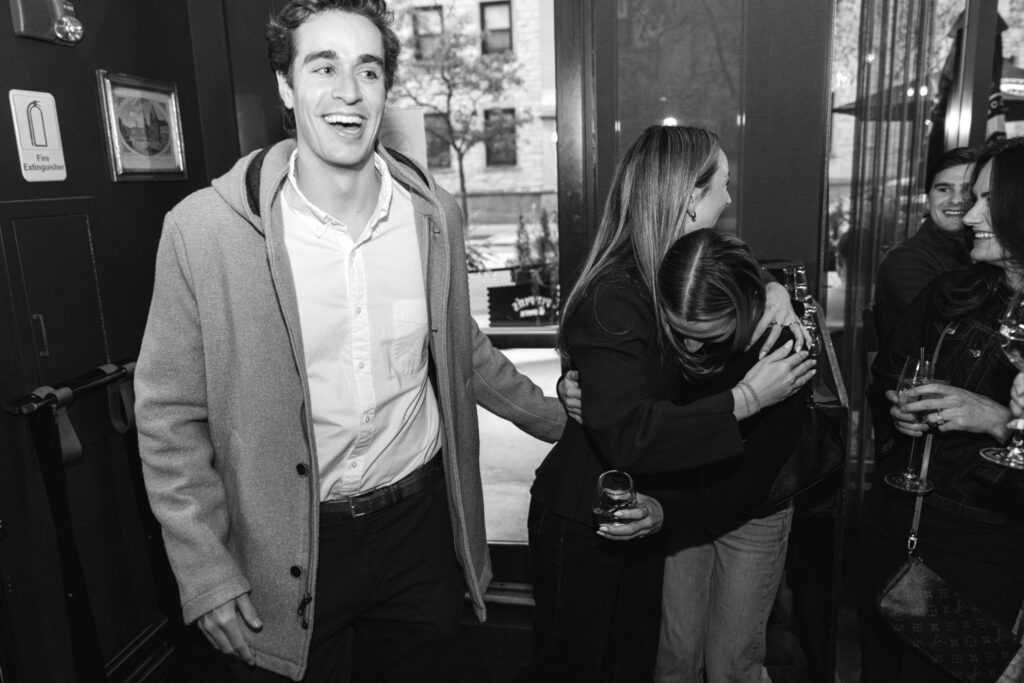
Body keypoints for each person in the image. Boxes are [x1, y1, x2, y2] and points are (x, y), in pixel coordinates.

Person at [134, 1, 569, 680]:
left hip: (418, 533)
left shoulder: (431, 216)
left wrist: (561, 421)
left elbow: (461, 350)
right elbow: (168, 417)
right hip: (290, 546)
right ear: (285, 84)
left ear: (386, 88)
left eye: (367, 70)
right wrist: (205, 569)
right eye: (323, 66)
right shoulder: (207, 232)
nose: (347, 92)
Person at [525, 125, 815, 682]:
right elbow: (629, 435)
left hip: (642, 506)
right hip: (588, 514)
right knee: (575, 667)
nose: (729, 200)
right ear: (688, 199)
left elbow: (729, 273)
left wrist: (773, 286)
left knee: (638, 662)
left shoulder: (669, 268)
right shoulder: (619, 292)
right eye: (722, 186)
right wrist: (747, 399)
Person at [859, 137, 1024, 682]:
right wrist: (899, 408)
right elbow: (892, 372)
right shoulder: (951, 290)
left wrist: (995, 418)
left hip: (987, 545)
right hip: (905, 521)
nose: (969, 214)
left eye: (986, 201)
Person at [650, 229, 811, 683]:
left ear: (742, 307)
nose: (692, 348)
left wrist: (664, 514)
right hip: (687, 505)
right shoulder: (676, 325)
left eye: (707, 335)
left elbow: (753, 480)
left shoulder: (781, 346)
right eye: (679, 333)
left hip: (753, 515)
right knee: (674, 660)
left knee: (731, 667)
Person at [872, 147, 976, 346]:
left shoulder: (981, 254)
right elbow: (959, 335)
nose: (955, 200)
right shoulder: (905, 262)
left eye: (967, 191)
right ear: (928, 201)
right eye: (944, 189)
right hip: (923, 375)